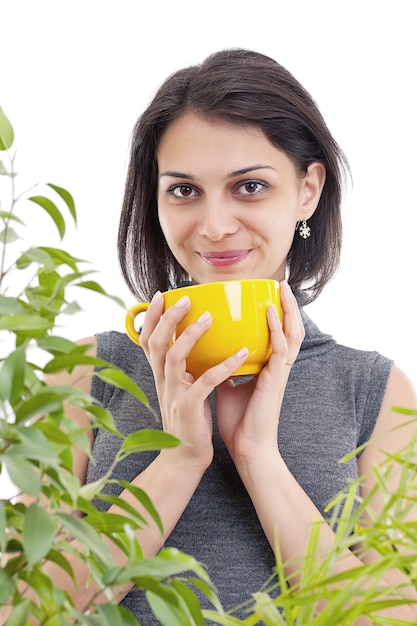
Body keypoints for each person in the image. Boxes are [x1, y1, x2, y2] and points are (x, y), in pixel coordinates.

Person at [17, 49, 417, 623]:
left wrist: (259, 458)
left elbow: (393, 619)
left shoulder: (374, 391)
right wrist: (179, 459)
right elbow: (24, 608)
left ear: (307, 190)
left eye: (249, 186)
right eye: (183, 190)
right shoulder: (89, 372)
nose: (214, 225)